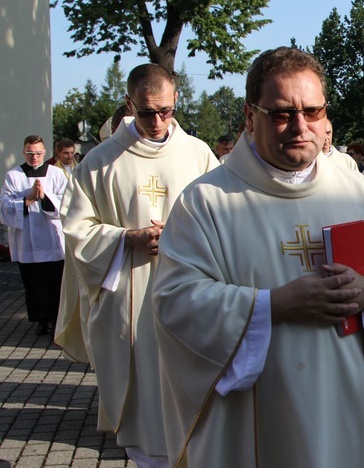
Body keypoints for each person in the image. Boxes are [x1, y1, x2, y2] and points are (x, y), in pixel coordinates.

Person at [151, 46, 364, 467]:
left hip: (351, 400)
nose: (300, 126)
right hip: (260, 411)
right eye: (282, 113)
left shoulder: (354, 190)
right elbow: (176, 302)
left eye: (313, 111)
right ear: (249, 115)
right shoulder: (206, 202)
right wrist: (274, 305)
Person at [54, 63, 219, 466]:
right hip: (126, 289)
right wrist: (128, 237)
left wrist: (181, 235)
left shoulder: (198, 154)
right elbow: (76, 228)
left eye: (165, 110)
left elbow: (225, 218)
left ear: (176, 100)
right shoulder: (99, 162)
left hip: (188, 289)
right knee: (142, 390)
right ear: (130, 105)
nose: (158, 121)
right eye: (146, 112)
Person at [0, 135, 67, 336]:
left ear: (45, 153)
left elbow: (67, 203)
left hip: (52, 237)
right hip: (27, 239)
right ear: (24, 153)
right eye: (30, 153)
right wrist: (28, 199)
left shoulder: (56, 174)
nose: (34, 158)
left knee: (55, 281)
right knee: (33, 282)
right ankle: (41, 320)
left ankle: (57, 318)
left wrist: (45, 197)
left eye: (38, 153)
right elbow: (4, 206)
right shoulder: (13, 176)